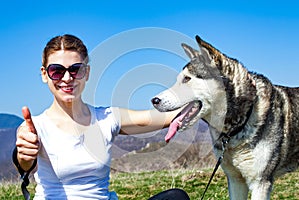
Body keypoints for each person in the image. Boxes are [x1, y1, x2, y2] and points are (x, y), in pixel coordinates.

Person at [13, 34, 190, 200]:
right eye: (57, 71)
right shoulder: (34, 126)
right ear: (45, 74)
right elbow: (25, 162)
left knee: (176, 197)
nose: (67, 78)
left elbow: (161, 117)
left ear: (87, 73)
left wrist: (204, 98)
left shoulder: (107, 118)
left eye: (76, 70)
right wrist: (24, 157)